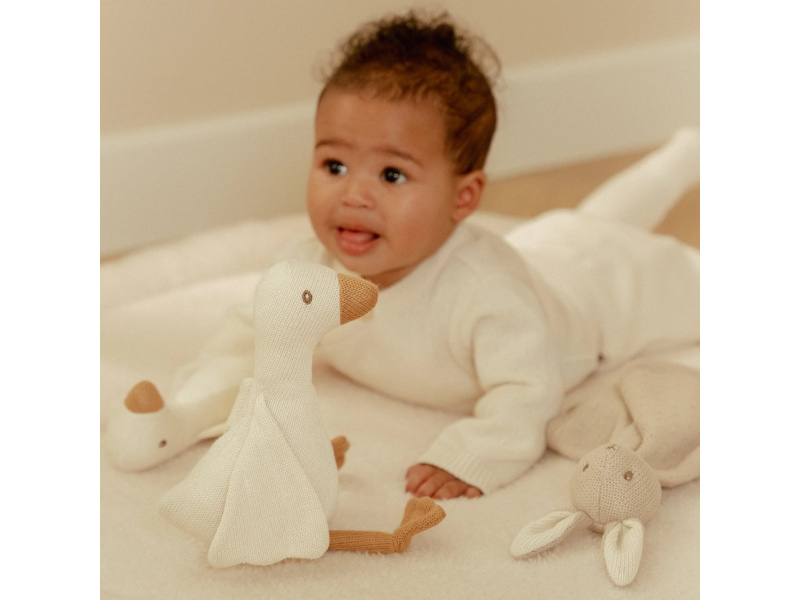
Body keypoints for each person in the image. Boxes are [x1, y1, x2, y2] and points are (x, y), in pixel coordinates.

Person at [122, 10, 700, 500]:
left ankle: (687, 156)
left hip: (595, 295)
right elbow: (250, 336)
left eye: (392, 174)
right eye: (334, 165)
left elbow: (530, 392)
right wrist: (192, 408)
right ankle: (685, 155)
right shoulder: (306, 270)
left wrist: (471, 453)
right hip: (545, 251)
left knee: (627, 251)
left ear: (463, 198)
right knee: (582, 222)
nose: (354, 194)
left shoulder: (491, 296)